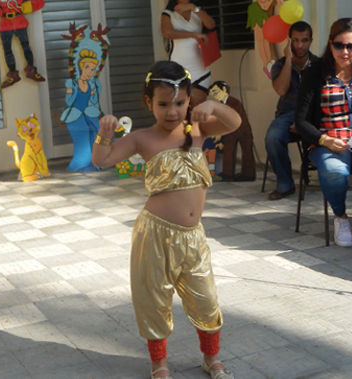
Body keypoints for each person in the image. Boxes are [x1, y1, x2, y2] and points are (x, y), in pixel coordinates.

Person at [92, 61, 240, 379]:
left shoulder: (199, 130)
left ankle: (211, 359)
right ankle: (159, 364)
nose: (172, 111)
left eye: (179, 103)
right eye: (163, 104)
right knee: (153, 299)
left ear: (189, 101)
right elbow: (102, 159)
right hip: (154, 235)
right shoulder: (142, 138)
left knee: (206, 298)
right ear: (149, 103)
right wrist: (104, 135)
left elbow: (234, 122)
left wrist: (212, 104)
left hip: (192, 237)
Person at [295, 17, 352, 249]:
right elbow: (300, 121)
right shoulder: (315, 74)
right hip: (330, 142)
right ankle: (340, 218)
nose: (346, 51)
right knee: (334, 170)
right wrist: (325, 140)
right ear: (330, 44)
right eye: (339, 45)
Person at [265, 21, 318, 200]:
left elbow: (323, 99)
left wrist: (303, 121)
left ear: (311, 41)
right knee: (273, 137)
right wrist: (288, 59)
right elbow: (281, 90)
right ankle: (286, 184)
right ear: (289, 42)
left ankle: (329, 178)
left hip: (314, 115)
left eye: (304, 40)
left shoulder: (319, 65)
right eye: (295, 40)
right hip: (287, 114)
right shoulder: (279, 65)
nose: (300, 45)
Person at [0, 0, 46, 89]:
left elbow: (39, 2)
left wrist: (25, 7)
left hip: (19, 22)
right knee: (7, 50)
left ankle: (31, 69)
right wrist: (1, 12)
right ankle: (13, 74)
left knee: (26, 47)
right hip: (6, 24)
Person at [161, 0, 216, 95]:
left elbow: (211, 24)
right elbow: (167, 33)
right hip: (178, 69)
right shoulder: (168, 14)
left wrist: (193, 8)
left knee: (199, 107)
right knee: (181, 106)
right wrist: (194, 34)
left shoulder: (197, 11)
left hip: (200, 69)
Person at [60, 49, 102, 172]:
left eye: (93, 69)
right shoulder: (72, 83)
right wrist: (72, 90)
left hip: (88, 115)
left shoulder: (91, 84)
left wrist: (97, 88)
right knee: (82, 138)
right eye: (88, 68)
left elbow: (93, 101)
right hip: (75, 116)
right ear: (81, 67)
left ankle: (96, 162)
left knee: (97, 134)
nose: (90, 72)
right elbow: (69, 101)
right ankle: (79, 165)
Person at [209, 81, 256, 181]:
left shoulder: (234, 103)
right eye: (213, 94)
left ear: (224, 90)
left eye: (216, 92)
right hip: (231, 132)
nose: (215, 96)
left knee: (247, 152)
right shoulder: (222, 104)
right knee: (228, 150)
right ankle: (227, 173)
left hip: (242, 131)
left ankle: (248, 174)